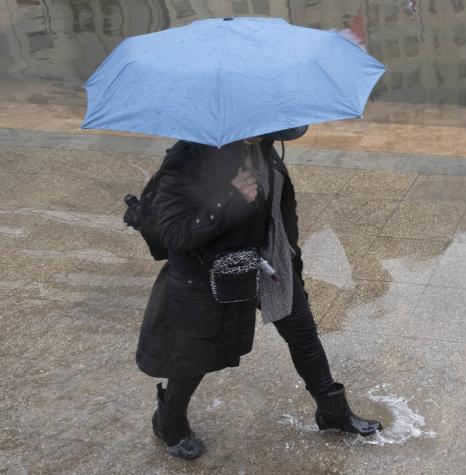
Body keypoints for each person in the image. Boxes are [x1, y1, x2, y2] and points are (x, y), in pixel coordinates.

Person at [135, 126, 382, 460]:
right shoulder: (187, 158)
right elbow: (174, 234)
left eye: (265, 126)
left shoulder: (265, 146)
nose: (257, 133)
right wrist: (229, 199)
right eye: (248, 129)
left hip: (269, 258)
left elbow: (277, 205)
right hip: (211, 273)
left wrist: (288, 254)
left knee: (303, 333)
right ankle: (169, 421)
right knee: (196, 355)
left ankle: (332, 413)